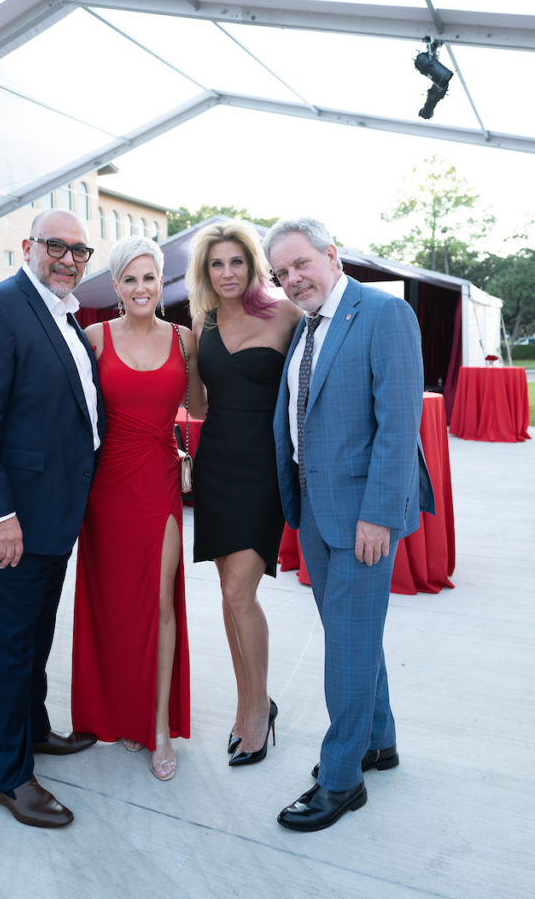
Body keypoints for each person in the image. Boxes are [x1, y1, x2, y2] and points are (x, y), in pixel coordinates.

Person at [0, 209, 105, 829]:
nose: (68, 259)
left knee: (34, 638)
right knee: (9, 646)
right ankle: (5, 776)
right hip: (9, 520)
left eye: (79, 251)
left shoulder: (67, 317)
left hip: (51, 513)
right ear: (29, 247)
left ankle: (32, 732)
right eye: (56, 246)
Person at [264, 217, 434, 832]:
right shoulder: (306, 329)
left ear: (331, 255)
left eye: (300, 264)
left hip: (364, 516)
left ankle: (341, 780)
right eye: (282, 273)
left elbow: (398, 424)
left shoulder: (383, 315)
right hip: (316, 509)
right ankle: (378, 742)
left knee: (346, 646)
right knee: (355, 636)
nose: (293, 279)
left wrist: (380, 516)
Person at [71, 236, 205, 781]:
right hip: (105, 489)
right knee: (114, 606)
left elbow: (198, 406)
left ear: (161, 284)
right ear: (116, 287)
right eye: (130, 279)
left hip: (157, 483)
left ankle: (158, 727)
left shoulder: (185, 339)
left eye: (149, 277)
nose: (141, 287)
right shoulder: (93, 338)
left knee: (159, 603)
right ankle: (124, 713)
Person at [185, 221, 302, 767]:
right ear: (205, 271)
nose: (227, 273)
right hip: (215, 469)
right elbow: (200, 406)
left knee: (239, 594)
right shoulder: (202, 321)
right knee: (229, 597)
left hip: (263, 471)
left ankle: (259, 711)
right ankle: (247, 701)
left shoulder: (286, 316)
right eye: (216, 264)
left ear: (253, 265)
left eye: (236, 262)